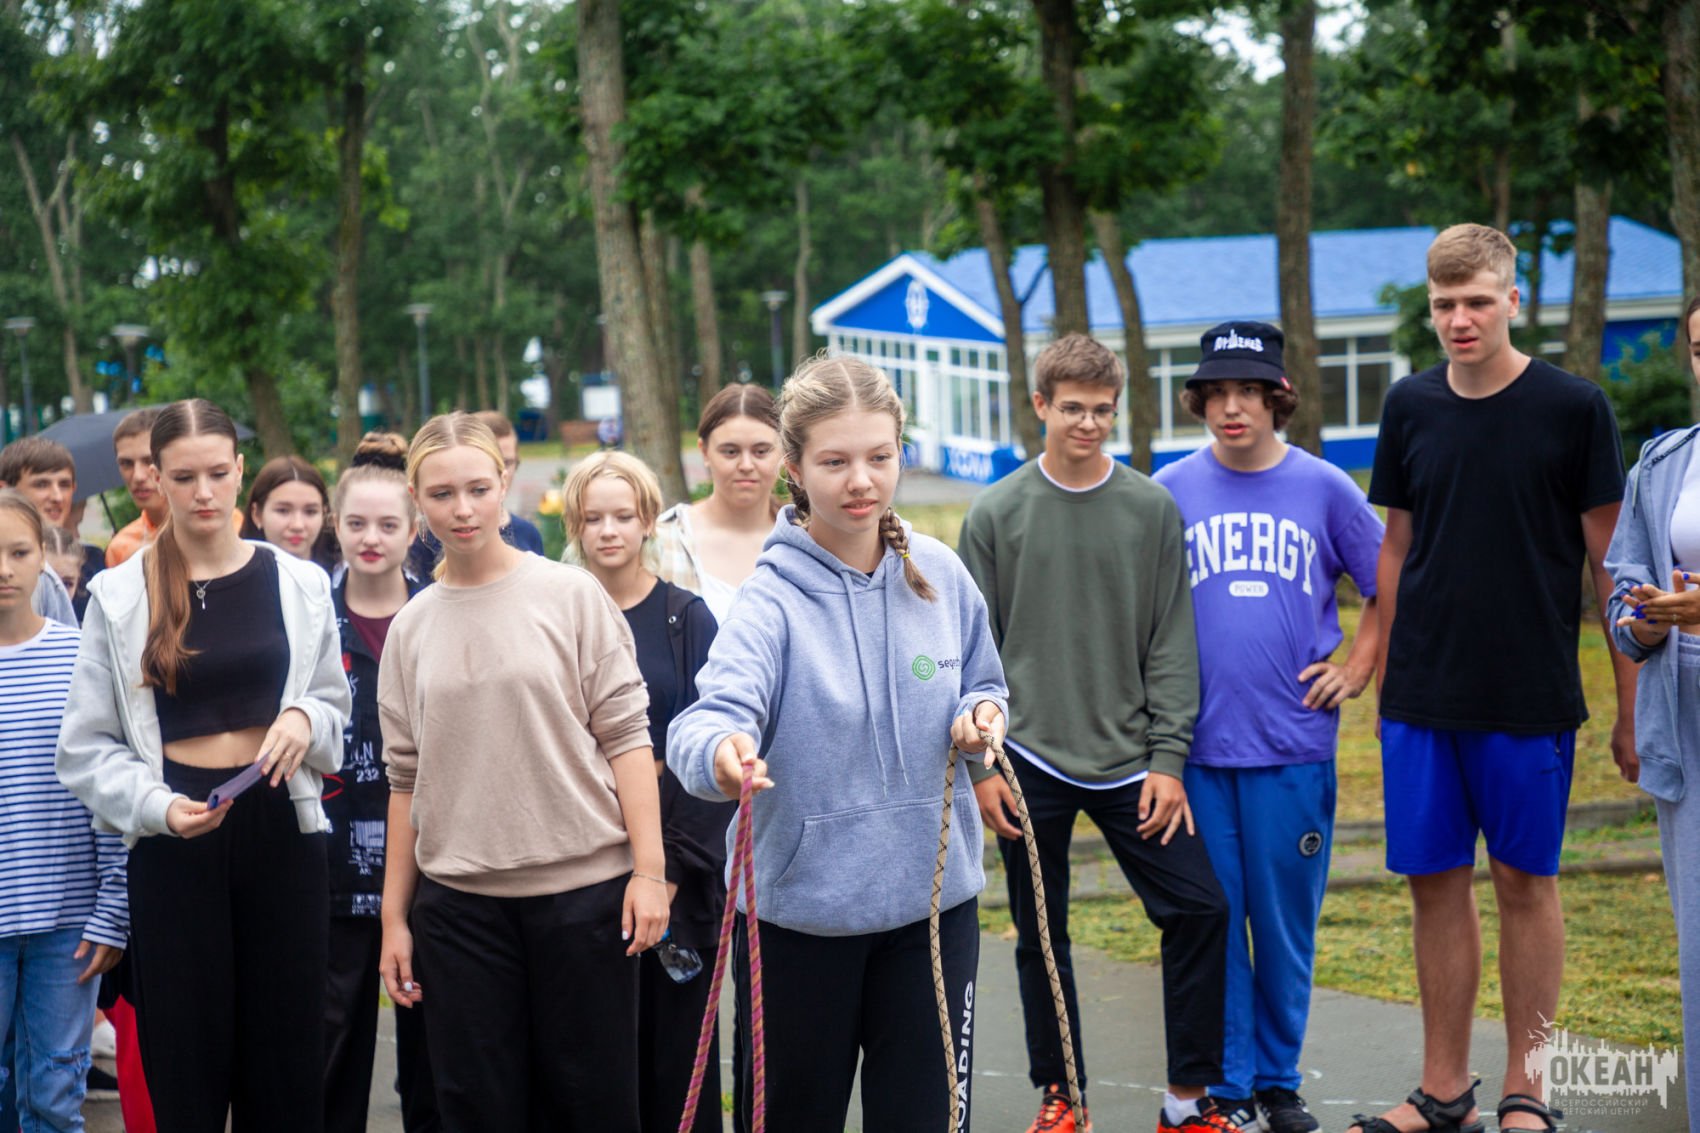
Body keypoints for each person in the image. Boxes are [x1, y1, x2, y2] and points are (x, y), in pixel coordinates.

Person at [668, 354, 1008, 1132]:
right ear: (793, 467)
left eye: (879, 456)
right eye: (834, 462)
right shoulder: (770, 599)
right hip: (798, 926)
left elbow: (984, 682)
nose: (862, 480)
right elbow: (705, 719)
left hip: (934, 915)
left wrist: (982, 717)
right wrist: (723, 752)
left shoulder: (941, 572)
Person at [1356, 223, 1633, 1133]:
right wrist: (1383, 668)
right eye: (1445, 305)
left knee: (1524, 881)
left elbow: (1610, 564)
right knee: (1433, 883)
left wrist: (1630, 706)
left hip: (1528, 693)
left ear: (1513, 299)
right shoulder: (1409, 404)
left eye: (1477, 301)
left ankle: (1528, 1088)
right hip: (1422, 697)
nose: (1460, 319)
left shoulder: (1574, 406)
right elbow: (1395, 546)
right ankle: (1443, 1090)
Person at [958, 333, 1231, 1133]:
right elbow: (970, 652)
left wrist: (1169, 757)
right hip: (1025, 756)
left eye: (1102, 410)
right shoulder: (996, 511)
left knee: (1200, 909)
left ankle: (1187, 1102)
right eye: (1072, 408)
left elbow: (1172, 640)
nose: (1087, 422)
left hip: (1132, 759)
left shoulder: (1150, 508)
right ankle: (1061, 1095)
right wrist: (982, 769)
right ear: (1040, 405)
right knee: (1043, 935)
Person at [56, 398, 351, 1133]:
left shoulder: (299, 582)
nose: (204, 493)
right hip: (174, 835)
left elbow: (333, 706)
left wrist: (303, 716)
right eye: (184, 477)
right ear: (155, 479)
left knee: (285, 1060)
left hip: (281, 825)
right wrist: (154, 807)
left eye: (218, 473)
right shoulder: (121, 592)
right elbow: (84, 748)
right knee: (185, 1062)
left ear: (241, 469)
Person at [376, 412, 669, 1131]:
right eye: (442, 493)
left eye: (478, 488)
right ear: (417, 499)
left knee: (593, 1109)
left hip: (584, 902)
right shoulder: (412, 628)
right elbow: (404, 780)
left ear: (504, 482)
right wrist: (393, 918)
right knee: (478, 1110)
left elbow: (628, 738)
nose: (463, 508)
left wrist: (649, 871)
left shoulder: (572, 596)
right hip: (460, 912)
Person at [1153, 322, 1384, 1133]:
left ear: (1277, 397)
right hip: (1197, 748)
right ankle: (1230, 1081)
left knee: (1283, 923)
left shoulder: (1324, 487)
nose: (1232, 406)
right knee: (1216, 918)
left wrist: (1358, 666)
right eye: (1216, 391)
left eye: (1248, 390)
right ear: (1198, 401)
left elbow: (1387, 580)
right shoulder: (1169, 489)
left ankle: (1280, 1079)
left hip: (1292, 745)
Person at [563, 450, 728, 1133]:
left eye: (623, 516)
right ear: (574, 526)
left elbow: (705, 750)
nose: (608, 531)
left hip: (675, 869)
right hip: (581, 863)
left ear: (649, 520)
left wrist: (669, 871)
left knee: (677, 1060)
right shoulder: (554, 615)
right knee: (591, 1061)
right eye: (593, 518)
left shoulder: (686, 620)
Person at [0, 489, 127, 1132]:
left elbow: (109, 789)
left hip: (67, 923)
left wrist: (114, 909)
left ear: (43, 560)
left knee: (55, 1095)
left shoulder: (81, 657)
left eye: (19, 552)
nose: (4, 569)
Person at [321, 433, 438, 1133]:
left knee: (432, 1059)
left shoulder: (440, 613)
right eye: (357, 523)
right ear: (335, 525)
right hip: (327, 868)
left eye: (388, 524)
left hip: (428, 871)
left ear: (413, 529)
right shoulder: (308, 618)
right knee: (329, 1052)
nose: (371, 538)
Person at [1603, 295, 1700, 1131]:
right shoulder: (1663, 463)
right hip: (1685, 722)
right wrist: (1644, 623)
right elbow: (1622, 591)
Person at [653, 384, 783, 623]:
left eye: (761, 451)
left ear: (783, 451)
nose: (746, 465)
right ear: (704, 452)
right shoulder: (663, 541)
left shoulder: (807, 541)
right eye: (730, 452)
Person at [0, 437, 105, 614]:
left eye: (64, 485)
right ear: (5, 490)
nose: (57, 497)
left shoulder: (92, 560)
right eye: (41, 484)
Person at [243, 455, 338, 570]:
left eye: (310, 512)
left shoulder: (342, 575)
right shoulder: (232, 575)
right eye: (283, 511)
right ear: (257, 514)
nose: (297, 525)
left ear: (324, 514)